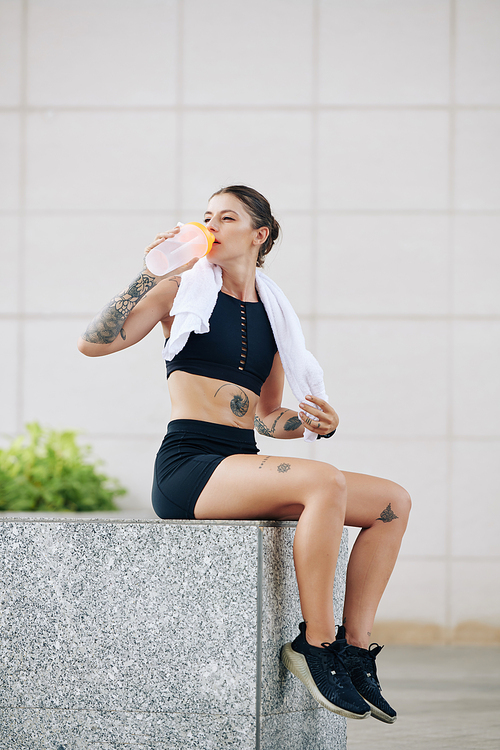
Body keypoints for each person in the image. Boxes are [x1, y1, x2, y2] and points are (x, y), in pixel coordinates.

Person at [78, 184, 411, 723]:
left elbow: (267, 416)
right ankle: (316, 646)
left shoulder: (274, 319)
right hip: (190, 467)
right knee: (323, 482)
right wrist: (149, 271)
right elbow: (94, 343)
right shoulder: (176, 292)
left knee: (392, 503)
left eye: (226, 218)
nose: (210, 225)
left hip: (240, 459)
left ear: (259, 235)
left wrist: (313, 423)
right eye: (206, 216)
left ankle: (353, 651)